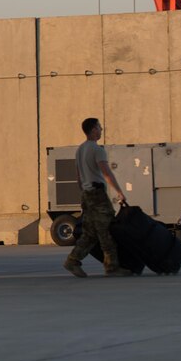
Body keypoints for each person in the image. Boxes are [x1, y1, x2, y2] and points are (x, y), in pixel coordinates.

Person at [63, 118, 133, 277]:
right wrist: (119, 192)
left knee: (90, 232)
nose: (101, 130)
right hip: (97, 195)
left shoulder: (80, 149)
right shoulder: (97, 149)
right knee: (106, 229)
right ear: (94, 129)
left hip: (87, 194)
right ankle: (112, 267)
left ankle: (72, 260)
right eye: (99, 127)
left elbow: (78, 178)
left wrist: (85, 193)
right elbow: (107, 173)